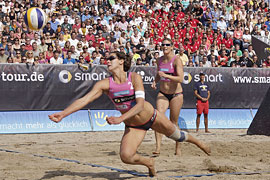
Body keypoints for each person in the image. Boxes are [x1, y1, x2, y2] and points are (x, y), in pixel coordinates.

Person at [49, 51, 210, 177]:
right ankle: (149, 162)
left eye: (111, 58)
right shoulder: (105, 84)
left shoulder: (134, 77)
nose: (107, 61)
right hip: (134, 125)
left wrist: (120, 118)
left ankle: (199, 143)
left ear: (121, 61)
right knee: (125, 156)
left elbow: (140, 105)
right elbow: (84, 100)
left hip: (151, 117)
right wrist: (63, 114)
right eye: (106, 59)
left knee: (176, 136)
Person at [151, 38, 184, 156]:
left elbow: (180, 79)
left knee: (174, 122)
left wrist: (165, 75)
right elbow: (159, 74)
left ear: (172, 46)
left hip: (176, 94)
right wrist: (155, 81)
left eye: (167, 45)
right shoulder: (159, 60)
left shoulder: (177, 60)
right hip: (163, 93)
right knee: (157, 117)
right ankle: (158, 147)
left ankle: (178, 148)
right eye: (163, 44)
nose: (164, 46)